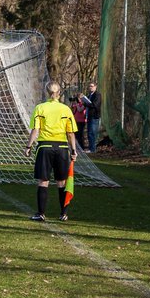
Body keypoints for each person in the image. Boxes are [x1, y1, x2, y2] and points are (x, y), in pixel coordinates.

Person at [27, 82, 80, 222]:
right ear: (59, 93)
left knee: (43, 181)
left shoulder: (40, 108)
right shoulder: (66, 109)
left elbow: (35, 130)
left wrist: (28, 146)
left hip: (45, 147)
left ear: (46, 92)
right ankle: (63, 214)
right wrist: (74, 150)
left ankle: (41, 213)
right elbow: (70, 133)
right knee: (61, 182)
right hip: (62, 149)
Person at [79, 81, 102, 153]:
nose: (90, 88)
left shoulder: (98, 95)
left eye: (92, 86)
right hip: (89, 116)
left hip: (94, 116)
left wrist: (87, 103)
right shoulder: (89, 95)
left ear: (95, 87)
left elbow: (95, 105)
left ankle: (93, 149)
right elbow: (86, 105)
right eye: (89, 86)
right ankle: (90, 148)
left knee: (92, 133)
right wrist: (83, 101)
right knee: (89, 133)